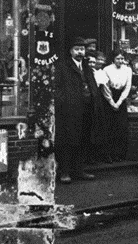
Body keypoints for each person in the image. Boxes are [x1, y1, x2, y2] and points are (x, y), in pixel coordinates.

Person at [55, 37, 101, 184]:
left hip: (86, 109)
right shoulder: (63, 67)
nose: (80, 52)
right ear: (71, 51)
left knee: (83, 140)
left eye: (82, 49)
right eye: (77, 49)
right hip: (70, 111)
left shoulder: (87, 68)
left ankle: (79, 170)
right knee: (68, 141)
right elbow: (57, 89)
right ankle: (65, 172)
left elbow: (93, 85)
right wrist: (65, 103)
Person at [102, 49, 133, 162]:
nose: (120, 61)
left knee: (121, 128)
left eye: (122, 59)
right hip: (109, 98)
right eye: (118, 58)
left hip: (121, 99)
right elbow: (105, 88)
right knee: (110, 128)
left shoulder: (127, 70)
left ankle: (119, 154)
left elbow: (127, 87)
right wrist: (111, 102)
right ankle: (109, 155)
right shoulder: (107, 69)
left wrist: (119, 102)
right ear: (113, 59)